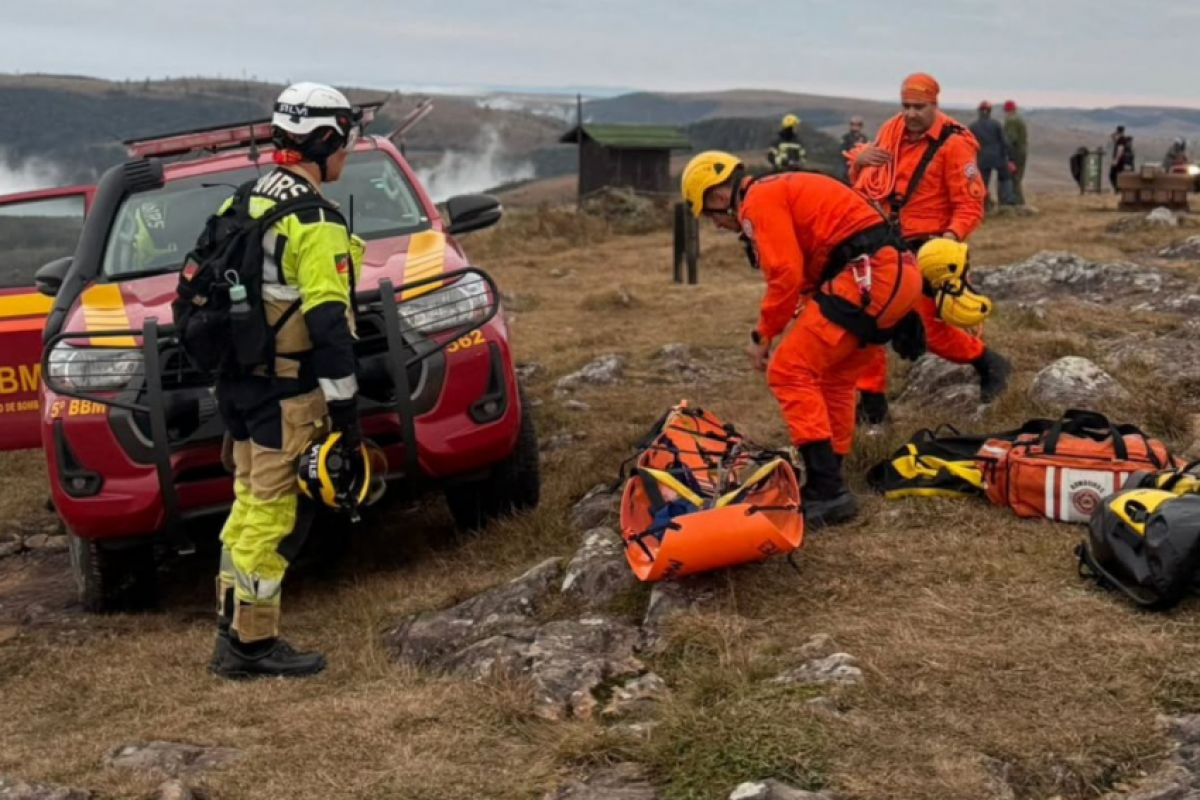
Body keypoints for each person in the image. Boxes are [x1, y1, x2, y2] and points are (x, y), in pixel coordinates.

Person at [209, 82, 365, 680]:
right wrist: (347, 418)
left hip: (241, 388)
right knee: (272, 519)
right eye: (344, 141)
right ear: (323, 140)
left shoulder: (244, 200)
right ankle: (252, 647)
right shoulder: (315, 221)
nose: (346, 153)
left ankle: (231, 631)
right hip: (286, 394)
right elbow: (330, 326)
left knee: (247, 506)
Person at [681, 151, 924, 529]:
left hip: (869, 276)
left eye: (710, 216)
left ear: (715, 197)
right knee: (835, 378)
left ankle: (828, 490)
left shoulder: (757, 203)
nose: (716, 225)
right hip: (891, 276)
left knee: (788, 370)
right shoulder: (777, 191)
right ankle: (831, 476)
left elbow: (785, 276)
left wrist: (763, 336)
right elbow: (813, 270)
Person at [845, 73, 1010, 424]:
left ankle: (988, 362)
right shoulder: (891, 135)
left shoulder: (955, 145)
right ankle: (873, 404)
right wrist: (861, 160)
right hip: (886, 243)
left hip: (930, 247)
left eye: (919, 107)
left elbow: (970, 205)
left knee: (927, 330)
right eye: (905, 106)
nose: (911, 114)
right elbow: (866, 181)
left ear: (935, 104)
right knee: (868, 318)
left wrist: (949, 241)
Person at [968, 101, 1015, 209]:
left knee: (982, 182)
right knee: (1005, 178)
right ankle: (1006, 203)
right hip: (998, 157)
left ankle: (983, 205)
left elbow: (968, 144)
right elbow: (1004, 142)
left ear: (979, 112)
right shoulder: (996, 124)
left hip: (982, 159)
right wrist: (1010, 158)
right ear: (989, 112)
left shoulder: (973, 127)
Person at [1003, 100, 1029, 206]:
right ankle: (1018, 201)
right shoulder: (1019, 119)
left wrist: (1007, 155)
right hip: (1022, 151)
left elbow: (1010, 139)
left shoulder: (1011, 121)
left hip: (1015, 152)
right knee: (1017, 176)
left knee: (1014, 177)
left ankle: (1018, 202)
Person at [840, 116, 870, 182]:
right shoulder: (846, 138)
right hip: (848, 166)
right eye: (853, 124)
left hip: (860, 167)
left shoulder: (863, 138)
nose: (855, 127)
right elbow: (842, 151)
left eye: (858, 124)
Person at [1110, 126, 1135, 191]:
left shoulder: (1121, 139)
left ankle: (1118, 189)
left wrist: (1115, 160)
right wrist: (1115, 134)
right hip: (1122, 161)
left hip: (1119, 161)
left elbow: (1120, 150)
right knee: (1118, 176)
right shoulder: (1122, 139)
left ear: (1118, 131)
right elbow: (1112, 137)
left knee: (1112, 175)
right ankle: (1119, 189)